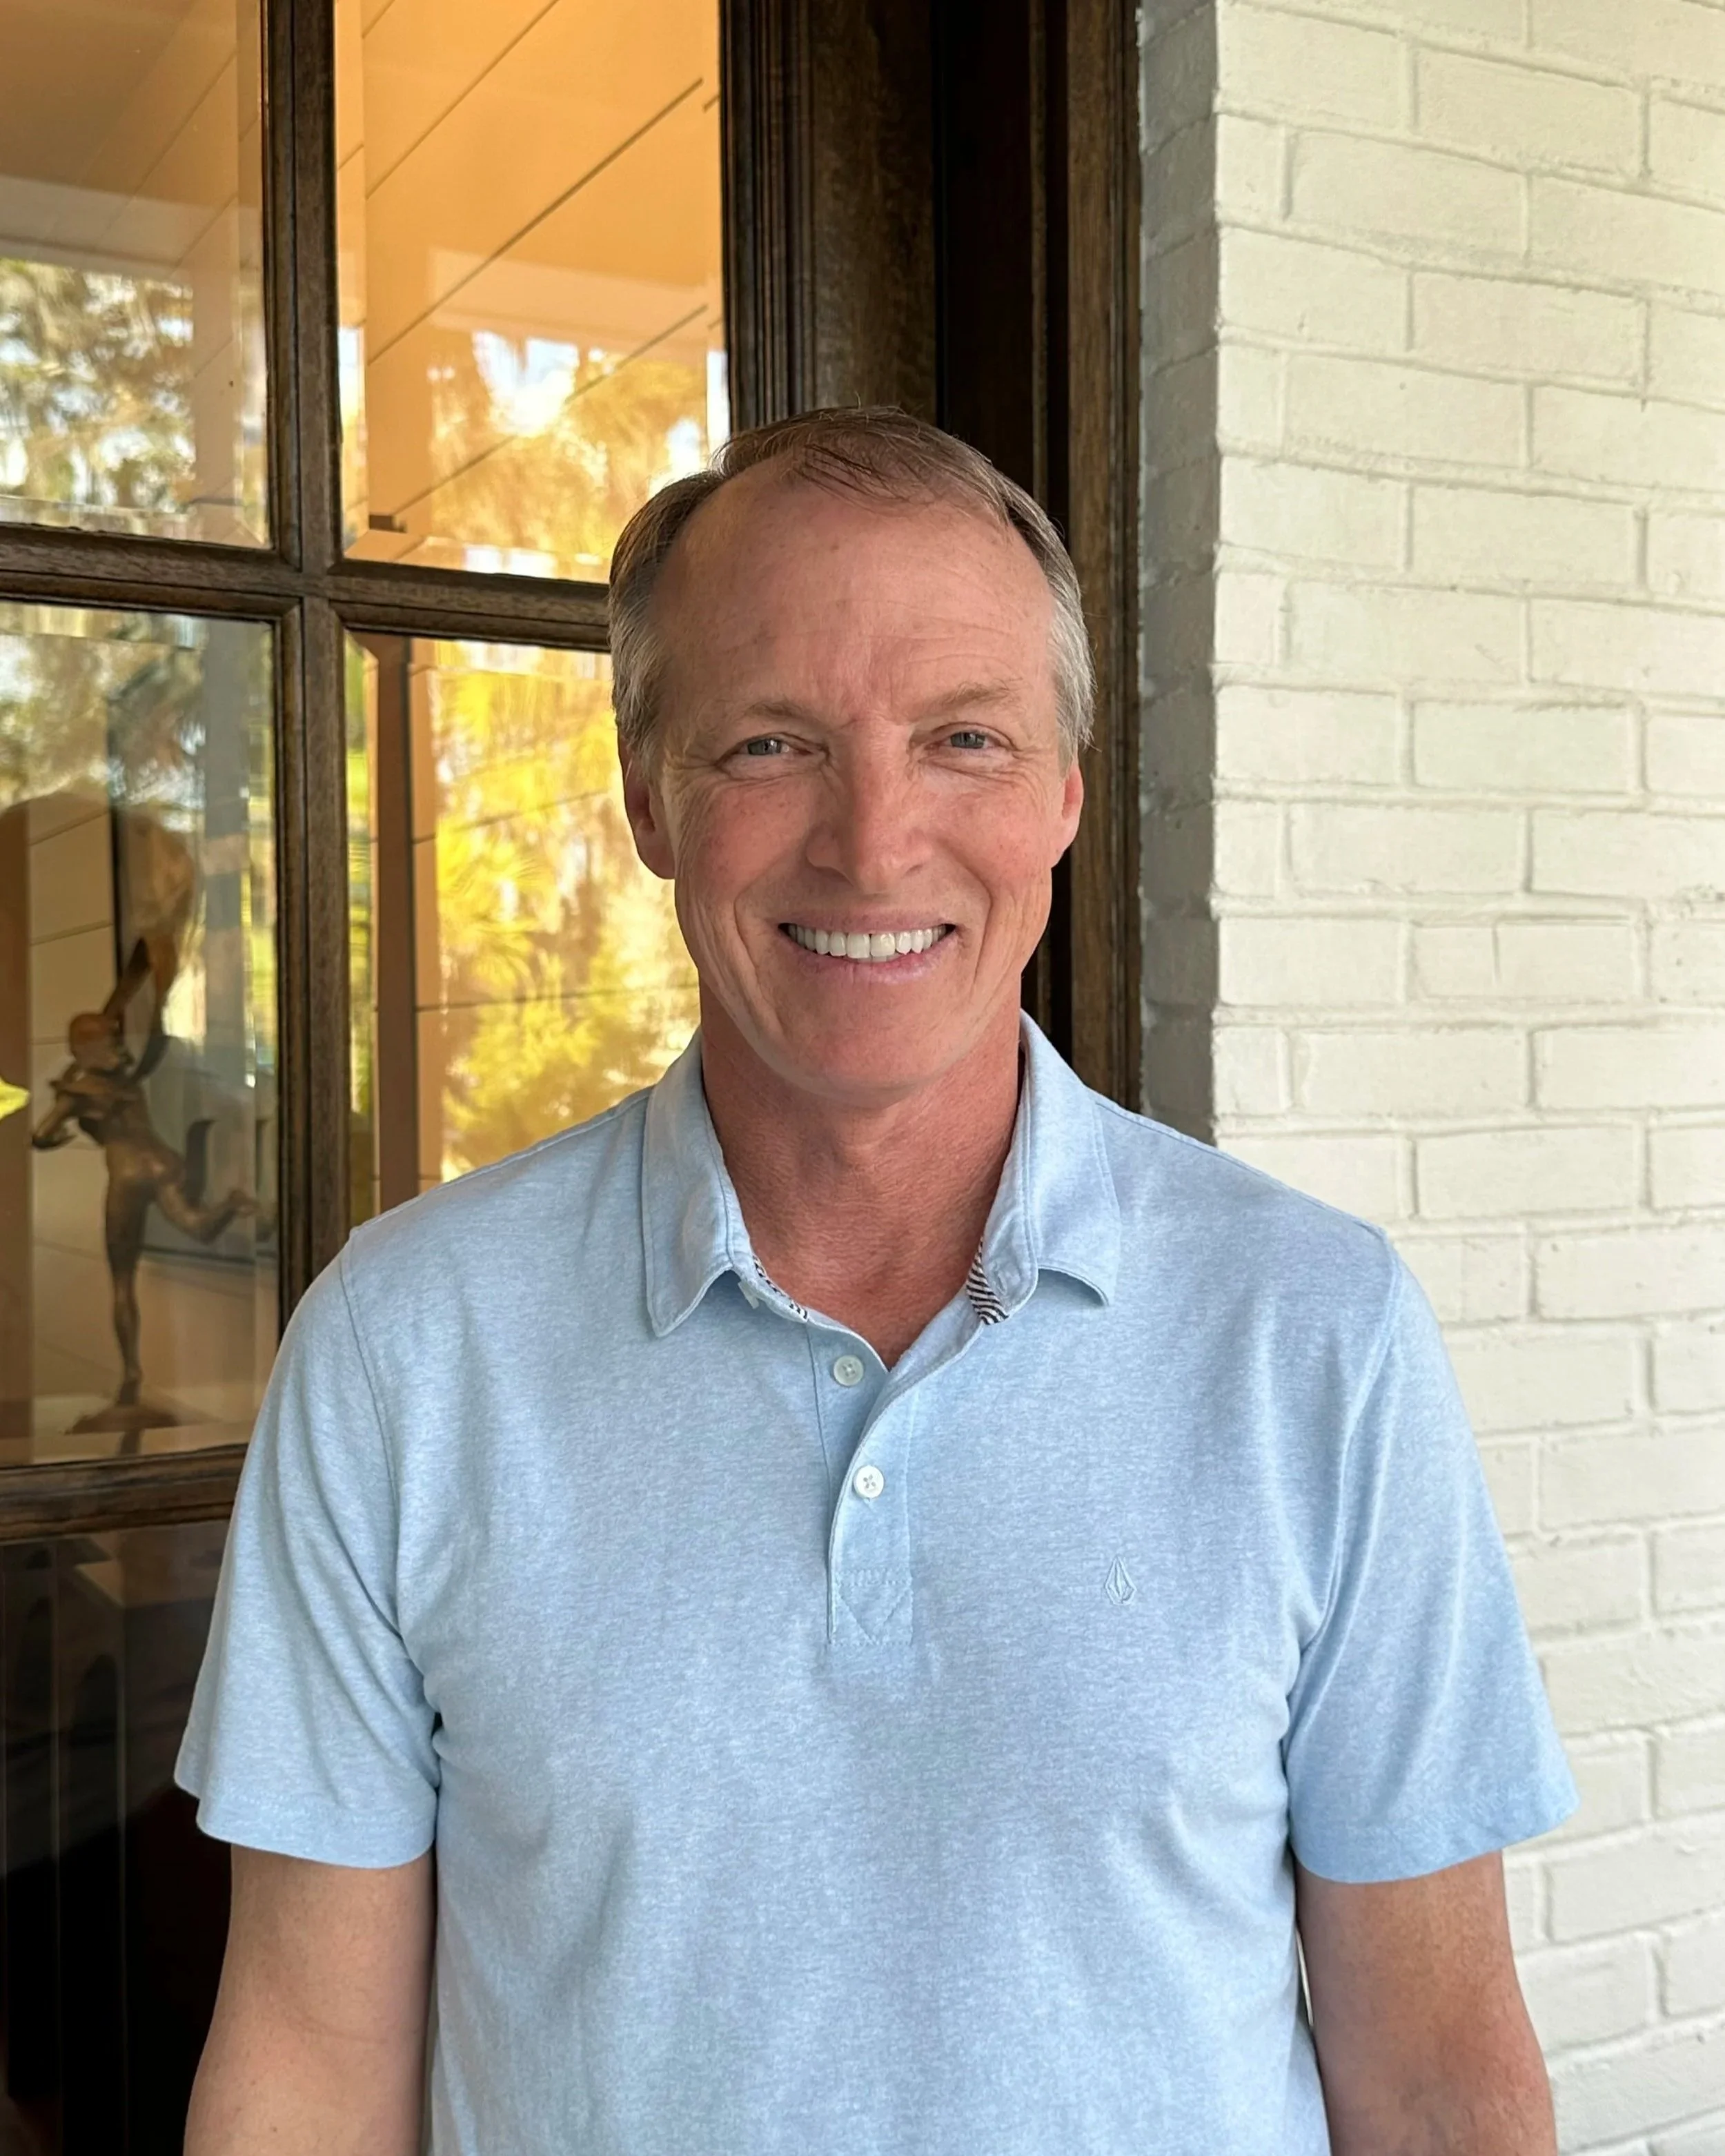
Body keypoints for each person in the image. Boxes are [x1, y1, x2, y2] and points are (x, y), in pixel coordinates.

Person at [179, 407, 1577, 2155]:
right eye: (770, 742)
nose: (873, 836)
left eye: (963, 738)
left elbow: (1436, 2073)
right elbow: (306, 2071)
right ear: (649, 798)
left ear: (1062, 794)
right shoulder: (404, 1350)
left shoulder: (1312, 1334)